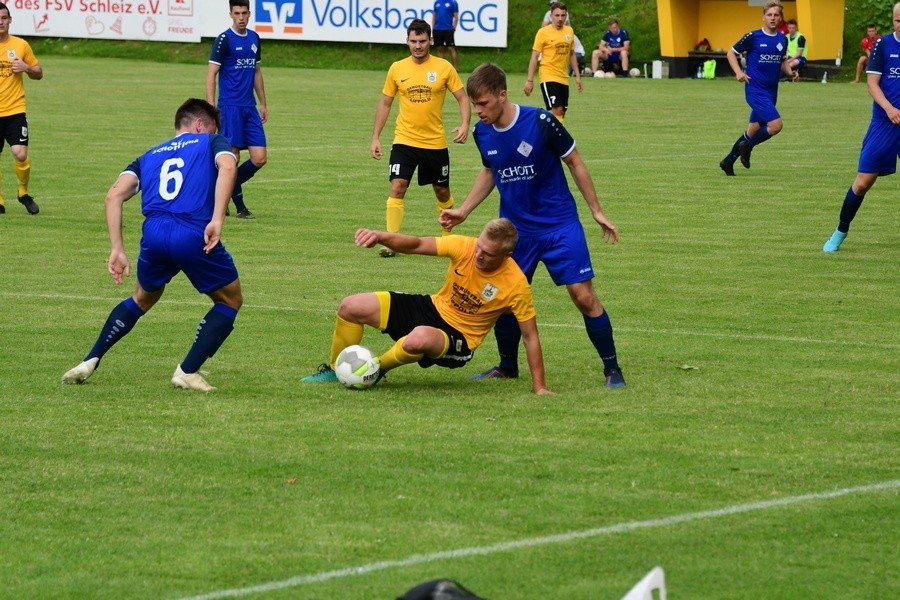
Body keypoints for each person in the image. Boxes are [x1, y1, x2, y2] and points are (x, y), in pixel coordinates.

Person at [440, 63, 626, 389]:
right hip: (515, 234)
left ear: (502, 95)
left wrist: (595, 210)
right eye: (475, 104)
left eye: (483, 103)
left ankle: (612, 369)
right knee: (504, 299)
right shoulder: (481, 133)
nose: (478, 110)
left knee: (583, 297)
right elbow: (490, 171)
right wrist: (465, 210)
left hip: (559, 226)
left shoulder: (541, 122)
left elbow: (575, 161)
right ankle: (507, 366)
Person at [61, 99, 242, 392]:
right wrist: (218, 219)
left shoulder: (147, 156)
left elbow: (113, 197)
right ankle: (188, 370)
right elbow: (228, 167)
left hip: (154, 234)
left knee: (142, 299)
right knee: (230, 300)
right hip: (191, 231)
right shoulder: (211, 141)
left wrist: (117, 248)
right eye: (211, 127)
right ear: (200, 125)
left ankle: (90, 359)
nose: (212, 132)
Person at [301, 218, 552, 395]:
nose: (478, 256)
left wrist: (539, 387)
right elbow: (416, 244)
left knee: (416, 339)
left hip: (459, 338)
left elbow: (530, 337)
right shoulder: (465, 246)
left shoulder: (516, 284)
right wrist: (380, 236)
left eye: (487, 254)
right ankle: (335, 370)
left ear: (506, 256)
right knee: (350, 306)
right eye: (479, 247)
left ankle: (373, 371)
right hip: (432, 307)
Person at [371, 19, 470, 258]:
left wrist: (465, 123)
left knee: (441, 192)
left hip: (435, 142)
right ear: (407, 40)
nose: (417, 46)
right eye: (413, 41)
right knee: (397, 186)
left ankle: (448, 242)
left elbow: (463, 98)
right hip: (404, 140)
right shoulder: (397, 68)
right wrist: (375, 137)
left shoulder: (444, 67)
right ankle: (392, 241)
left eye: (422, 41)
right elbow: (386, 103)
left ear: (430, 40)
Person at [823, 3, 900, 253]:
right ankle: (840, 230)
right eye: (899, 21)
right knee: (863, 182)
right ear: (893, 20)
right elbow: (872, 84)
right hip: (885, 122)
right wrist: (890, 109)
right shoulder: (883, 45)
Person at [718, 1, 798, 177]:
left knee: (753, 130)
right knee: (776, 125)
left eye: (776, 15)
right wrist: (739, 72)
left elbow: (783, 62)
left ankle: (728, 161)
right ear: (763, 17)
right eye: (769, 15)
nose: (772, 18)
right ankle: (748, 146)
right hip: (755, 91)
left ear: (780, 18)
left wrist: (791, 73)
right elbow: (731, 53)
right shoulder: (753, 37)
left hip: (771, 92)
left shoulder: (782, 39)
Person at [206, 0, 268, 220]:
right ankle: (240, 208)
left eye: (244, 13)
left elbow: (257, 71)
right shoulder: (224, 39)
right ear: (230, 14)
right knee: (231, 157)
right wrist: (211, 109)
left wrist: (263, 102)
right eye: (237, 13)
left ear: (250, 14)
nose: (241, 17)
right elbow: (211, 73)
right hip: (229, 107)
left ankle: (225, 187)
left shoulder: (254, 38)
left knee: (260, 157)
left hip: (249, 107)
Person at [0, 2, 42, 216]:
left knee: (20, 153)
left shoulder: (20, 45)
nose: (0, 22)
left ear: (10, 20)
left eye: (4, 17)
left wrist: (25, 68)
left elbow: (38, 71)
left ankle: (23, 193)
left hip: (15, 109)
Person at [525, 2, 582, 125]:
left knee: (562, 113)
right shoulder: (543, 32)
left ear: (566, 16)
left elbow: (571, 54)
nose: (560, 18)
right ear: (551, 16)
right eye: (557, 15)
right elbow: (534, 57)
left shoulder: (569, 31)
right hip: (548, 75)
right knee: (558, 109)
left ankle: (551, 138)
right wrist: (530, 80)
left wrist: (577, 76)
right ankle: (552, 140)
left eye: (563, 15)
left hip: (563, 77)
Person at [431, 0, 459, 70]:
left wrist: (454, 27)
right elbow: (434, 15)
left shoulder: (453, 2)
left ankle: (455, 67)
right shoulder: (437, 2)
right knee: (440, 48)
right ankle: (441, 68)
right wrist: (433, 27)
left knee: (451, 48)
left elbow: (456, 16)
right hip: (438, 29)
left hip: (448, 29)